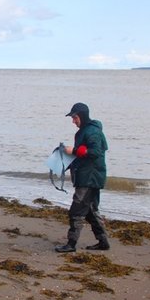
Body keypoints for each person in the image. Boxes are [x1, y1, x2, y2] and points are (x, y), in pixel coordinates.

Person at [55, 102, 110, 253]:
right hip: (87, 176)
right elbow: (84, 154)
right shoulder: (84, 131)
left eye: (75, 117)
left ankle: (71, 244)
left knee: (76, 211)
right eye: (72, 118)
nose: (73, 121)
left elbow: (95, 152)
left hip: (90, 178)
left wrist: (75, 150)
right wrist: (67, 159)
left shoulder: (92, 131)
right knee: (91, 211)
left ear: (82, 116)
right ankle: (103, 242)